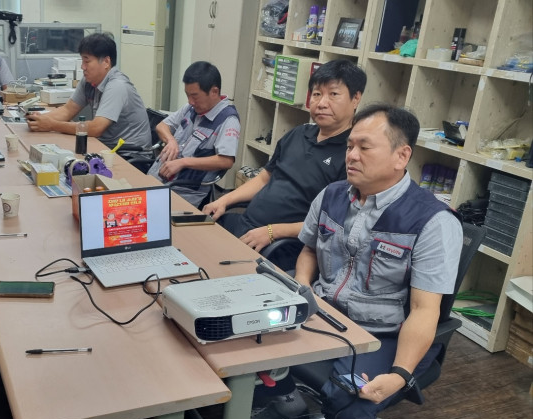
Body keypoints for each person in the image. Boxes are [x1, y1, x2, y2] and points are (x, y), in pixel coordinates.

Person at [252, 105, 463, 419]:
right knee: (249, 331)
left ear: (401, 156)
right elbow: (310, 249)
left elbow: (425, 310)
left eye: (364, 147)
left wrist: (400, 374)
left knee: (351, 406)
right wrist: (303, 284)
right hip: (324, 312)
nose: (351, 155)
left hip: (383, 334)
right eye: (350, 146)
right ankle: (284, 398)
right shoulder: (332, 195)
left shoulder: (432, 221)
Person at [202, 59, 366, 254]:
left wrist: (272, 232)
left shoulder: (352, 155)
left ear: (356, 98)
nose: (322, 103)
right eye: (316, 94)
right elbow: (264, 178)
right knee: (191, 238)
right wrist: (224, 201)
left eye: (333, 94)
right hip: (247, 224)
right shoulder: (298, 134)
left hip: (281, 244)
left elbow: (331, 223)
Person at [26, 33, 151, 156]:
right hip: (105, 147)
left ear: (106, 62)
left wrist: (52, 125)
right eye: (82, 61)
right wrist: (40, 119)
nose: (82, 67)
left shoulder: (117, 85)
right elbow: (68, 110)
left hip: (129, 154)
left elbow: (96, 128)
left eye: (87, 61)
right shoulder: (89, 81)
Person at [147, 61, 239, 207]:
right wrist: (171, 140)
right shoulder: (191, 108)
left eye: (195, 96)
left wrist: (183, 162)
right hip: (155, 180)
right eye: (187, 95)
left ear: (214, 92)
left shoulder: (228, 120)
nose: (190, 101)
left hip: (182, 191)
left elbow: (226, 161)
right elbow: (161, 126)